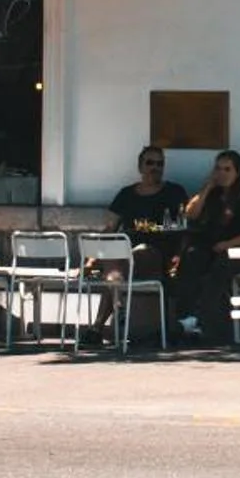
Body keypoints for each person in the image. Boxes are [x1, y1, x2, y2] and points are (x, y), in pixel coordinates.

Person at [85, 145, 188, 345]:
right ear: (140, 167)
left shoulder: (174, 192)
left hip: (157, 255)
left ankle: (101, 322)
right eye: (150, 163)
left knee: (137, 253)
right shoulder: (126, 194)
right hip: (124, 256)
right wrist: (91, 259)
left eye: (160, 164)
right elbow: (109, 229)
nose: (155, 167)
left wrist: (180, 256)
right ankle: (104, 320)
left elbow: (186, 228)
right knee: (115, 259)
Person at [173, 149, 240, 346]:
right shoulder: (213, 193)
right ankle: (184, 318)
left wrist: (228, 244)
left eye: (227, 169)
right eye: (218, 168)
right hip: (212, 247)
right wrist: (207, 187)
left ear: (237, 172)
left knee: (219, 270)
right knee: (191, 258)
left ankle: (207, 327)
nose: (222, 173)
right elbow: (190, 214)